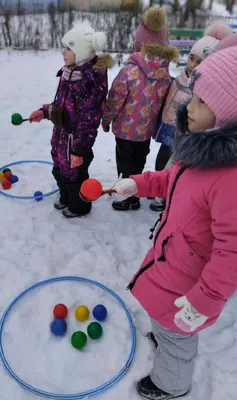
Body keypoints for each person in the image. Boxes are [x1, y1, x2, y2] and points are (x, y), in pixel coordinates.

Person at [113, 46, 237, 399]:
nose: (189, 106)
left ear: (226, 117)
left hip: (190, 284)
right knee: (166, 319)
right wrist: (138, 182)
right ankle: (166, 332)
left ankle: (172, 382)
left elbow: (232, 253)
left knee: (179, 338)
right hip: (172, 260)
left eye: (201, 101)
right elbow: (171, 181)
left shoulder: (229, 179)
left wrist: (204, 302)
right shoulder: (198, 151)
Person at [29, 23, 114, 218]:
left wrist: (79, 150)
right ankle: (66, 197)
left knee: (75, 177)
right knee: (59, 170)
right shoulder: (69, 72)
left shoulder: (90, 81)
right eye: (63, 46)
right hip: (60, 137)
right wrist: (44, 111)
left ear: (82, 52)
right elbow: (60, 104)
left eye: (69, 47)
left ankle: (79, 207)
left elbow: (89, 121)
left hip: (75, 143)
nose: (63, 52)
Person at [101, 7, 178, 211]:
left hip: (125, 131)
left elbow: (114, 100)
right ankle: (137, 189)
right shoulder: (164, 74)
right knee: (138, 161)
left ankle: (128, 198)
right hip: (145, 132)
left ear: (139, 44)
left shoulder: (129, 71)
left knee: (125, 163)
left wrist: (107, 119)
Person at [150, 21, 232, 212]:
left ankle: (165, 195)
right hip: (168, 125)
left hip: (187, 131)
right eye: (192, 58)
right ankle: (159, 188)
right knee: (162, 160)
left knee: (173, 163)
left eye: (200, 61)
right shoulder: (180, 76)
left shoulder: (204, 87)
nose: (193, 65)